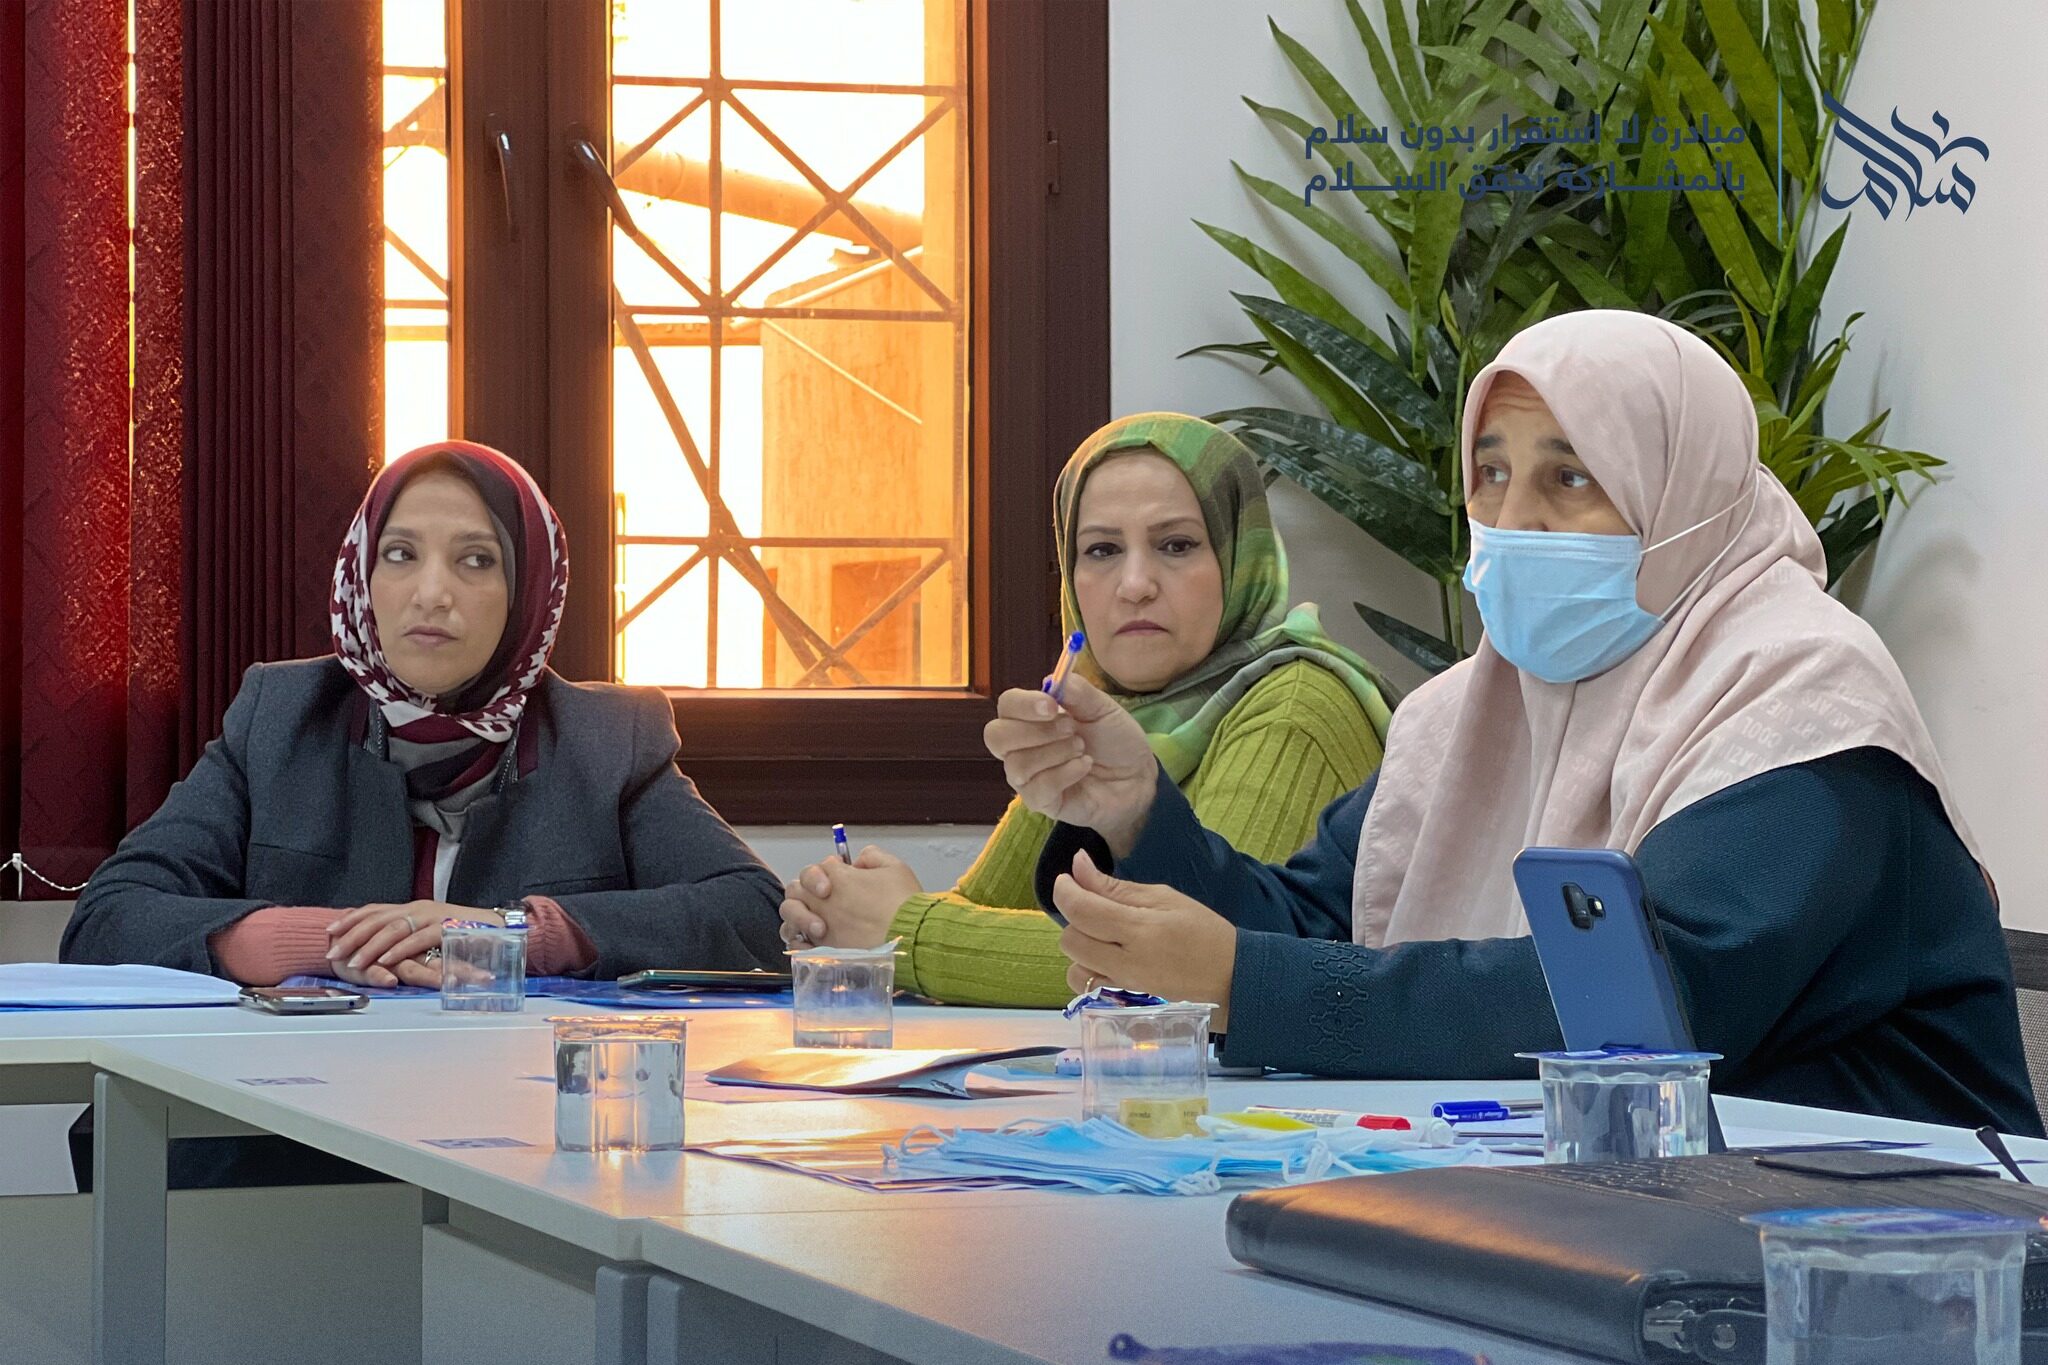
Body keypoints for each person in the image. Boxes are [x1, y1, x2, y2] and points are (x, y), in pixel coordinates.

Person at [989, 311, 2040, 1136]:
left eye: (1568, 477)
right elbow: (1316, 924)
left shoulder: (1799, 699)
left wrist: (1241, 982)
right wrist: (1136, 815)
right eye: (1489, 474)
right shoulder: (1467, 713)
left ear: (1681, 496)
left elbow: (1638, 1007)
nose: (1513, 520)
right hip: (1616, 1216)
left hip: (1895, 1245)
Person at [63, 439, 785, 986]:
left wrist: (509, 936)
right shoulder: (281, 717)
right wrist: (327, 940)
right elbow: (108, 918)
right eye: (401, 554)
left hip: (518, 1136)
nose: (431, 592)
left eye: (476, 561)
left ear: (529, 591)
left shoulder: (608, 741)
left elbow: (754, 915)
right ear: (363, 577)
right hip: (287, 1139)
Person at [776, 413, 1394, 1007]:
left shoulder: (1296, 701)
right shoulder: (1100, 705)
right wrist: (849, 914)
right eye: (1101, 550)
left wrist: (902, 931)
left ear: (1241, 560)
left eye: (1176, 545)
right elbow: (991, 911)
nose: (1135, 584)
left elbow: (1190, 963)